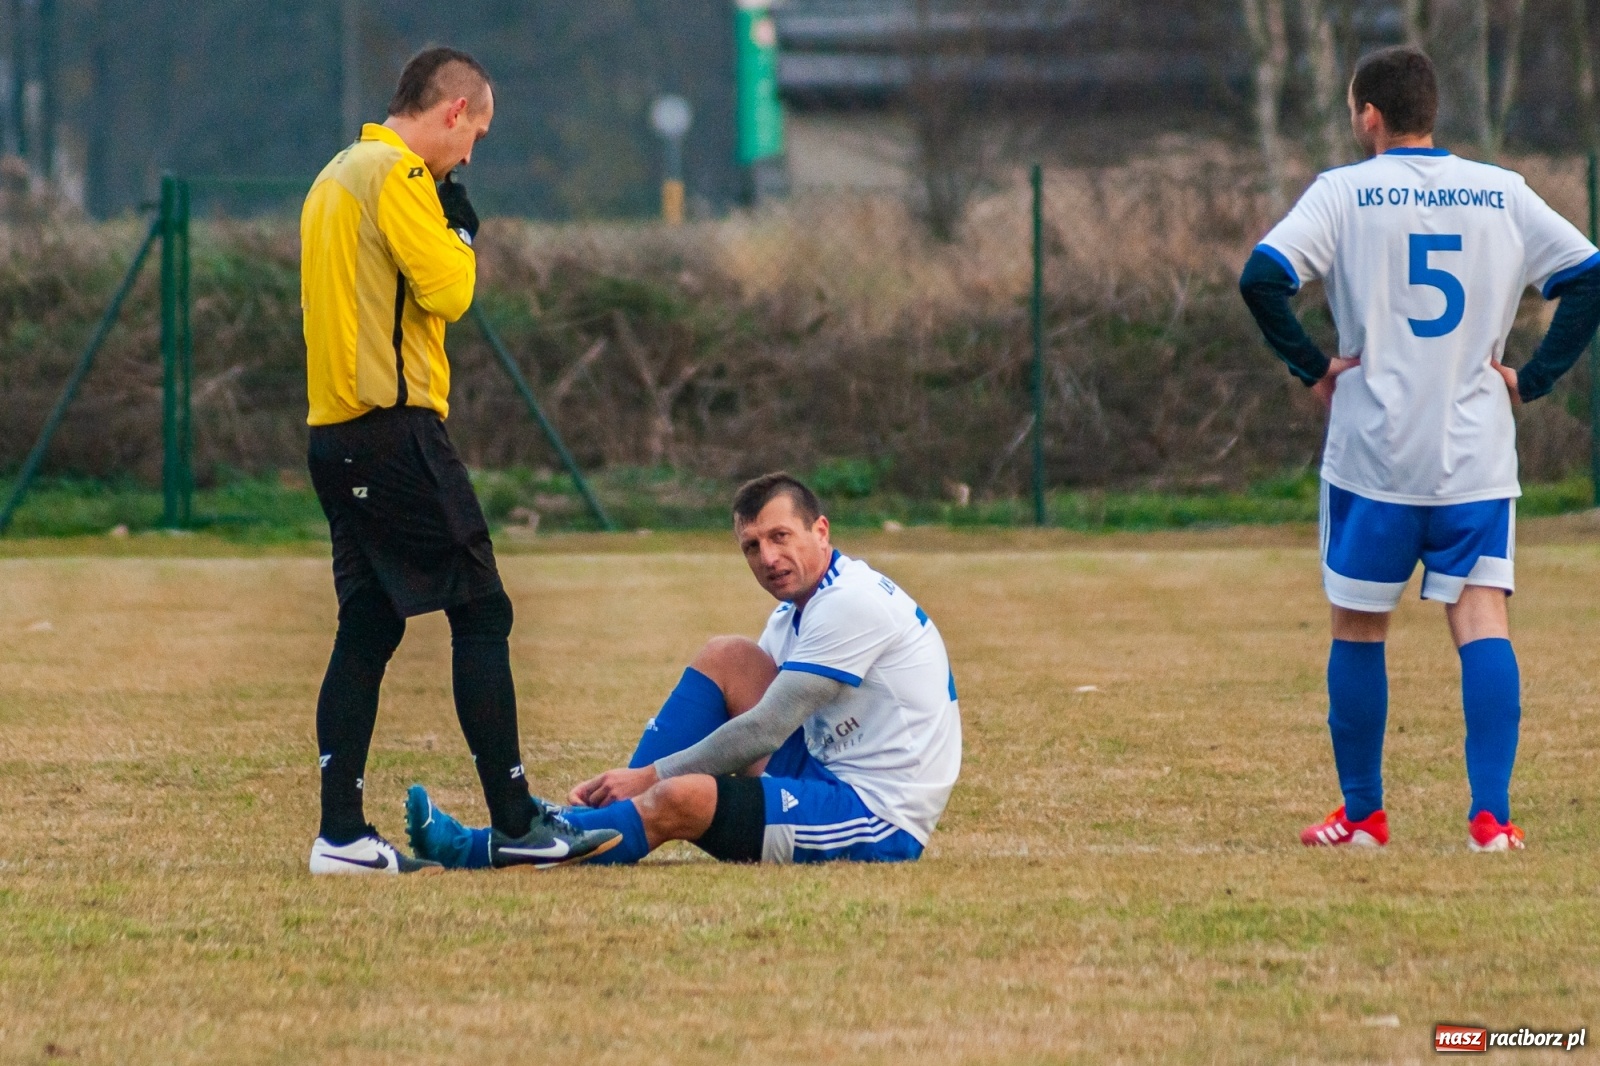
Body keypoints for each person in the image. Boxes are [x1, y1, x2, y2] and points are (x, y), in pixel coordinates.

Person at [1239, 46, 1600, 851]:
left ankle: (1364, 816)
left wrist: (1313, 367)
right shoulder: (1501, 192)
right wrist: (1535, 378)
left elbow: (1260, 278)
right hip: (1474, 454)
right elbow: (1589, 275)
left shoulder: (1342, 193)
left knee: (1359, 627)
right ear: (1430, 110)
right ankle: (1491, 819)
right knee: (1482, 620)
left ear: (1369, 115)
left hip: (1374, 454)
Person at [299, 47, 618, 874]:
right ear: (452, 111)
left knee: (368, 625)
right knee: (482, 610)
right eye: (477, 131)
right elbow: (450, 290)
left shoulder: (334, 174)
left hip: (334, 436)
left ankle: (341, 836)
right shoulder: (397, 173)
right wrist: (461, 230)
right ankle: (516, 821)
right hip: (392, 431)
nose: (471, 154)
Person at [404, 473, 963, 868]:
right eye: (751, 546)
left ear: (820, 531)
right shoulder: (795, 613)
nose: (767, 558)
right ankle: (584, 826)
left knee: (681, 798)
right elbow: (749, 722)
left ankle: (481, 849)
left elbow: (765, 731)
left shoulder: (851, 603)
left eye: (780, 537)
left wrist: (650, 778)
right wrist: (642, 782)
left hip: (876, 816)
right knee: (727, 656)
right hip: (824, 769)